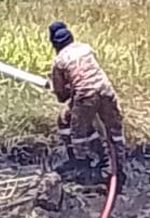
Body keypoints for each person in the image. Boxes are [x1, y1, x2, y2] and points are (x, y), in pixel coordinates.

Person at [45, 20, 127, 192]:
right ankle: (119, 165)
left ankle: (83, 164)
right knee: (114, 129)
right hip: (105, 90)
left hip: (85, 97)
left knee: (77, 131)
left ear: (54, 44)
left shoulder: (59, 61)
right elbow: (86, 74)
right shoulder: (85, 48)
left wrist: (54, 85)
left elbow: (61, 96)